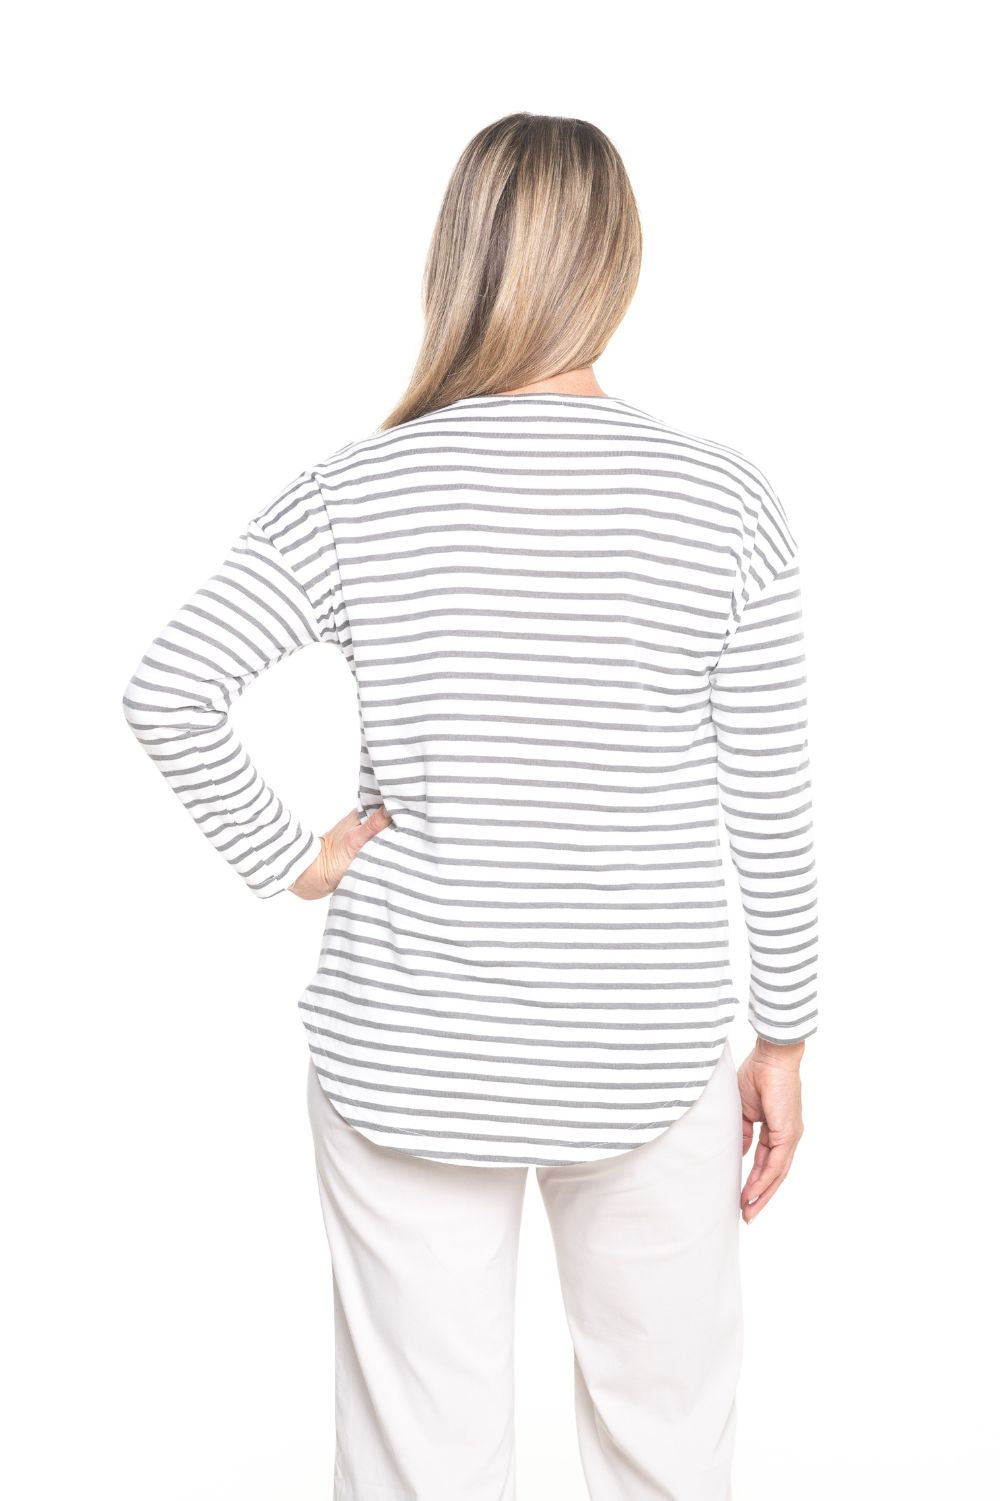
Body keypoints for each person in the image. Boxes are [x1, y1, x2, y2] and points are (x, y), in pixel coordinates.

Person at [122, 111, 816, 1501]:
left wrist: (300, 860)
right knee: (669, 1439)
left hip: (409, 1040)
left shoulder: (358, 489)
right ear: (619, 262)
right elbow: (772, 801)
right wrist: (785, 1035)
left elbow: (169, 688)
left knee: (418, 1462)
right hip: (645, 1036)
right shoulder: (720, 498)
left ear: (459, 259)